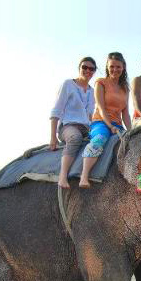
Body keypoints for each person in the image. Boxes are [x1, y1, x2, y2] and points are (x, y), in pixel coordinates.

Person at [79, 52, 131, 188]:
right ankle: (84, 176)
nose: (115, 69)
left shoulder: (125, 88)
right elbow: (101, 108)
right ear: (107, 67)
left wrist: (132, 130)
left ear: (123, 67)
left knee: (133, 145)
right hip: (101, 122)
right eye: (112, 66)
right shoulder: (100, 83)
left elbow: (125, 113)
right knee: (100, 138)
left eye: (118, 67)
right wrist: (110, 126)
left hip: (118, 124)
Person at [49, 57, 97, 188]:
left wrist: (94, 130)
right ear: (79, 68)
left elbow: (89, 115)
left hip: (86, 127)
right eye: (84, 67)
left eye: (91, 69)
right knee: (75, 138)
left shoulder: (92, 91)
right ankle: (62, 177)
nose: (87, 70)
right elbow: (56, 110)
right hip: (68, 126)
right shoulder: (68, 84)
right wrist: (53, 137)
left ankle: (85, 176)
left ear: (94, 72)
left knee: (101, 139)